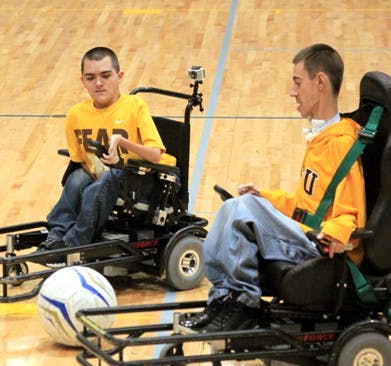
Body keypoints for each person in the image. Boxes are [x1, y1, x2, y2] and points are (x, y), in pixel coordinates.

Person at [180, 43, 366, 332]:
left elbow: (350, 215)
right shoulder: (322, 139)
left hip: (320, 249)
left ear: (320, 83)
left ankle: (243, 302)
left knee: (244, 209)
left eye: (297, 82)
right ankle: (223, 299)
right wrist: (265, 197)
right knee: (234, 205)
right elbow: (308, 206)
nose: (292, 92)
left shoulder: (340, 144)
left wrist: (335, 236)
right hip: (305, 235)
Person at [39, 47, 176, 253]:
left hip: (151, 181)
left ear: (119, 77)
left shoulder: (135, 105)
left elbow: (155, 154)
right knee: (77, 178)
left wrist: (122, 142)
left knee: (108, 178)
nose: (98, 83)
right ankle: (56, 235)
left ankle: (75, 243)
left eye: (105, 75)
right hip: (108, 179)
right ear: (83, 81)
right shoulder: (76, 114)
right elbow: (80, 160)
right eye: (90, 78)